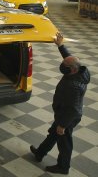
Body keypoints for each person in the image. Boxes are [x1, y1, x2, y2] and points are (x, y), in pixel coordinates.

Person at [30, 32, 90, 175]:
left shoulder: (73, 86)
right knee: (53, 134)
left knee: (64, 141)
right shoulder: (80, 71)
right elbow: (69, 59)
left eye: (65, 65)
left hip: (68, 116)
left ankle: (63, 167)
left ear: (72, 69)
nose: (62, 65)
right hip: (64, 113)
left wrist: (63, 125)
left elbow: (74, 109)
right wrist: (61, 45)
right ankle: (40, 152)